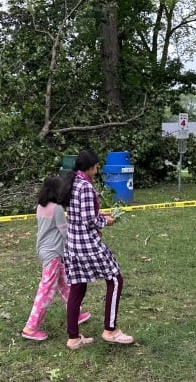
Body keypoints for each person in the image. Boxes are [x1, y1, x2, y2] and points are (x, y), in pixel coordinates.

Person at [63, 148, 134, 350]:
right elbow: (89, 220)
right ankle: (110, 330)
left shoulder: (73, 182)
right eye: (96, 166)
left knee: (77, 287)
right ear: (91, 168)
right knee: (115, 279)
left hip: (73, 245)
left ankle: (73, 338)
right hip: (87, 244)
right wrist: (106, 221)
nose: (98, 169)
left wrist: (99, 213)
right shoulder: (84, 186)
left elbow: (79, 212)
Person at [21, 177, 91, 341]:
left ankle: (75, 312)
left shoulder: (41, 206)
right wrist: (79, 245)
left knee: (66, 284)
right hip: (53, 253)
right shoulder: (57, 208)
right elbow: (65, 232)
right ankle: (31, 327)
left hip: (46, 251)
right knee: (46, 290)